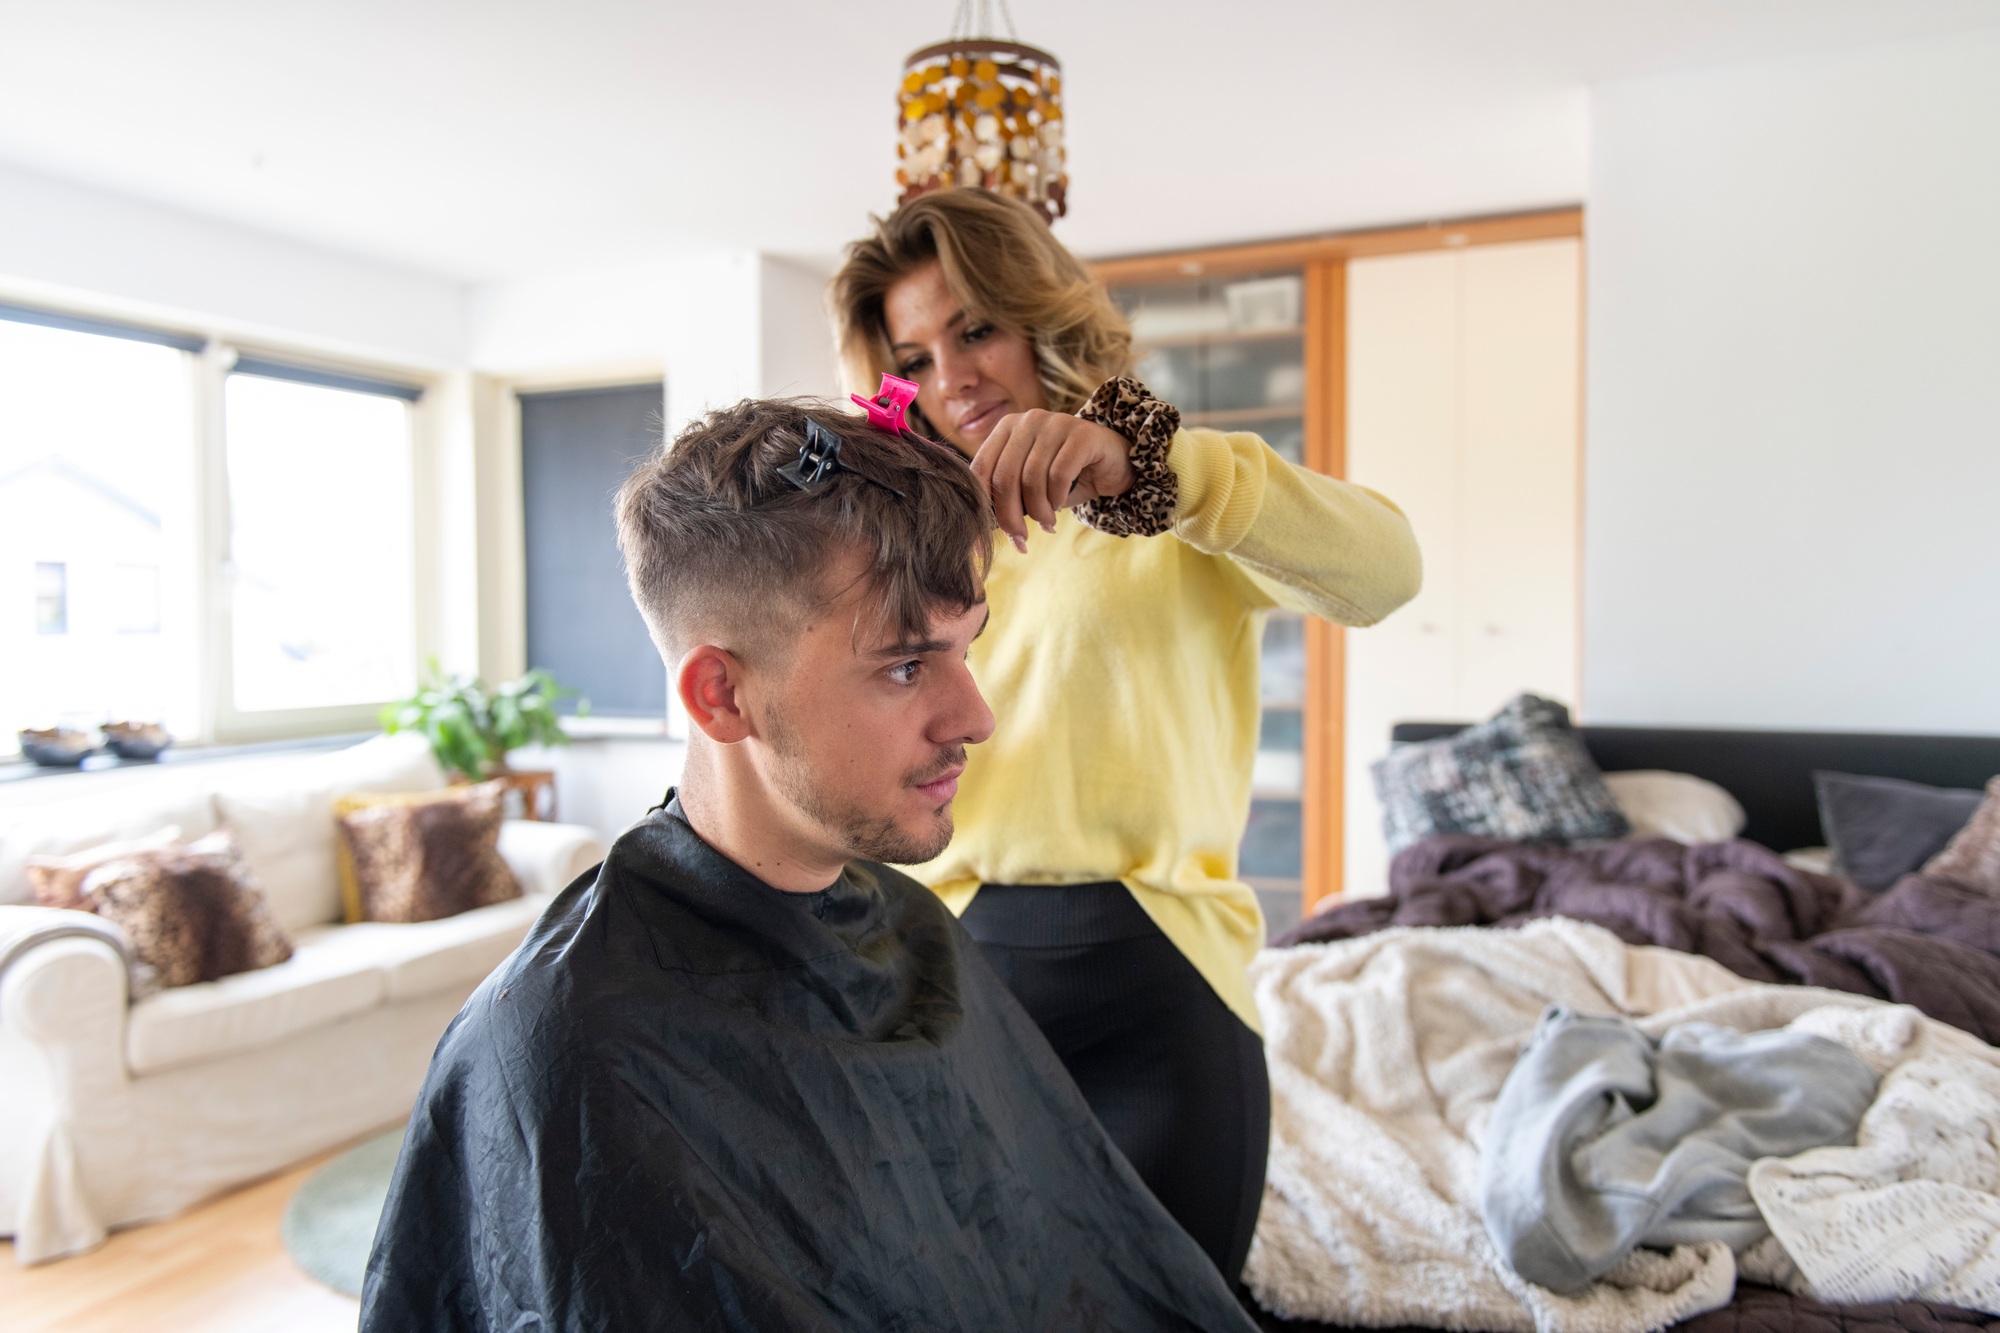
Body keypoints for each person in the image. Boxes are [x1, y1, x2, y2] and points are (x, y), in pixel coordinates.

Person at [359, 399, 1257, 1332]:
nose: (975, 716)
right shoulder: (563, 1040)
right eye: (907, 665)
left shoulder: (911, 929)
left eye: (966, 648)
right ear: (722, 695)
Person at [832, 188, 1423, 1281]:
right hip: (952, 982)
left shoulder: (1168, 503)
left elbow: (1388, 570)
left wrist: (1155, 470)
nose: (950, 376)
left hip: (1164, 985)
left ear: (1038, 319)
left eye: (975, 329)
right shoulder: (907, 547)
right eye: (912, 354)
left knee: (1167, 1304)